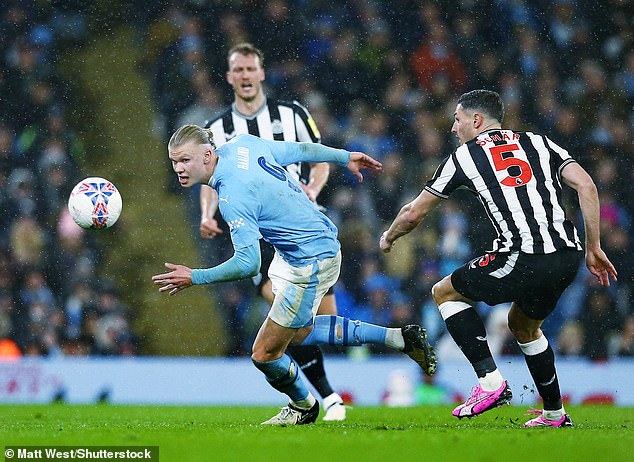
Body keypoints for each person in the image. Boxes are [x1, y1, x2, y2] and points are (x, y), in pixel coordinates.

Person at [153, 125, 437, 426]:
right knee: (299, 332)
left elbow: (248, 263)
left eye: (184, 161)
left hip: (308, 260)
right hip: (306, 246)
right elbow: (301, 150)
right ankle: (401, 338)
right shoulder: (244, 144)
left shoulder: (232, 194)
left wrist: (194, 276)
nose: (178, 169)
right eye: (174, 162)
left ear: (208, 155)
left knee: (264, 353)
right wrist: (343, 157)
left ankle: (303, 406)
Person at [380, 90, 617, 427]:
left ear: (476, 121)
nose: (453, 127)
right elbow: (588, 186)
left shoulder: (465, 156)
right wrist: (594, 247)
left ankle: (490, 382)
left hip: (525, 253)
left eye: (457, 119)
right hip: (567, 255)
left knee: (444, 292)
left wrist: (388, 237)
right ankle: (554, 413)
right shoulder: (539, 141)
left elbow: (414, 213)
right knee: (523, 325)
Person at [199, 43, 347, 420]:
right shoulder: (217, 129)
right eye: (238, 70)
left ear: (261, 73)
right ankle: (327, 399)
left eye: (251, 68)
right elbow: (208, 177)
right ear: (230, 77)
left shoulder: (291, 114)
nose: (245, 75)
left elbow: (313, 154)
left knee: (314, 326)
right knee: (285, 311)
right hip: (260, 235)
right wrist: (207, 214)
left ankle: (396, 340)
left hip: (302, 228)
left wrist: (312, 189)